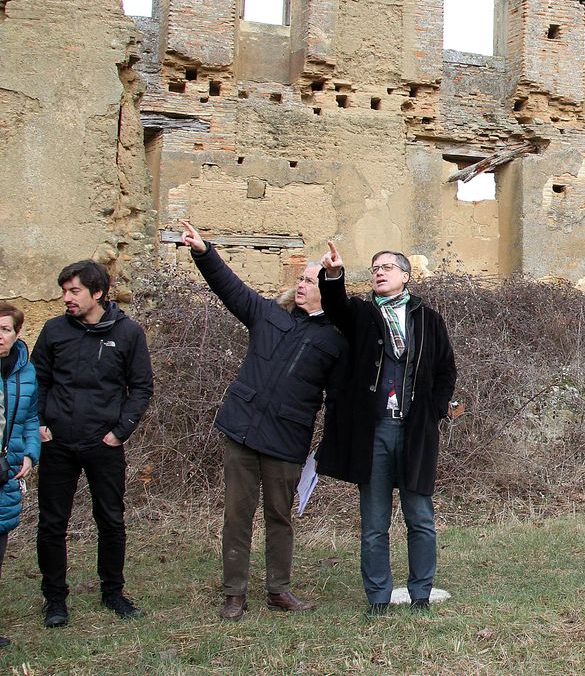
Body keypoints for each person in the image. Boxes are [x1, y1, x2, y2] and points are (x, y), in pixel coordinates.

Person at [178, 220, 349, 620]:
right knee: (237, 515)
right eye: (302, 278)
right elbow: (231, 288)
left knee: (279, 518)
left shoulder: (336, 341)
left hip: (287, 442)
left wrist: (330, 448)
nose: (303, 284)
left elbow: (339, 398)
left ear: (326, 289)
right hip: (243, 431)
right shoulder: (269, 316)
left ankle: (278, 590)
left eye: (311, 280)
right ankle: (234, 593)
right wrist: (205, 252)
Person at [316, 242, 456, 616]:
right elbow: (335, 306)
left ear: (406, 276)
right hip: (373, 432)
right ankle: (378, 597)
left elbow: (445, 370)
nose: (379, 272)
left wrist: (436, 409)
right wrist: (333, 276)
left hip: (414, 432)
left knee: (420, 518)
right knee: (375, 521)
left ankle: (420, 593)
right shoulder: (361, 315)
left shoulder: (429, 319)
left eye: (387, 267)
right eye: (375, 267)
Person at [32, 260, 153, 627]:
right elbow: (37, 380)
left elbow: (141, 387)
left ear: (96, 293)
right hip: (58, 442)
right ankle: (55, 599)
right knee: (52, 523)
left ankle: (113, 592)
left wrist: (120, 432)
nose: (66, 298)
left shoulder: (128, 333)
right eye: (64, 291)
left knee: (111, 520)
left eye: (74, 291)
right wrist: (38, 423)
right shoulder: (54, 331)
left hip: (104, 444)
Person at [0, 302, 40, 648]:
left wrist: (30, 452)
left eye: (5, 329)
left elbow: (30, 418)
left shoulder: (24, 371)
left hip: (5, 474)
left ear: (16, 334)